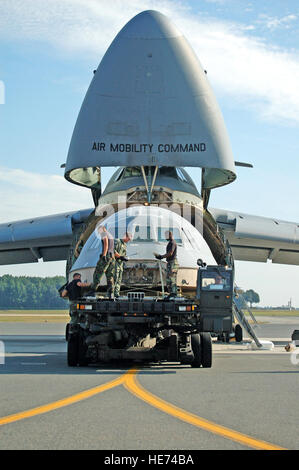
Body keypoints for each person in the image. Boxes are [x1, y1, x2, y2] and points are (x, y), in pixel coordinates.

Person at [155, 230, 179, 299]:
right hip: (170, 262)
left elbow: (170, 253)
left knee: (172, 279)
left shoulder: (172, 243)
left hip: (173, 263)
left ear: (170, 235)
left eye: (166, 235)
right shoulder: (170, 243)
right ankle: (171, 293)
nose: (165, 237)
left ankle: (174, 294)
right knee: (169, 279)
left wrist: (161, 256)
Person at [93, 225, 115, 294]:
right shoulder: (110, 235)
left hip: (106, 256)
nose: (98, 232)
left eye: (98, 230)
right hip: (111, 257)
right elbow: (112, 247)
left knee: (97, 273)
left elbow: (106, 244)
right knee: (110, 275)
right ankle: (111, 292)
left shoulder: (103, 234)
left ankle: (93, 290)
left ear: (102, 229)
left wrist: (104, 255)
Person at [112, 232, 132, 299]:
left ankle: (116, 293)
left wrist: (125, 258)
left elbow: (124, 254)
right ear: (125, 236)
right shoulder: (117, 241)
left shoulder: (124, 245)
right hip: (115, 263)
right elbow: (112, 251)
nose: (128, 241)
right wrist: (120, 257)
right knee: (114, 278)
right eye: (128, 239)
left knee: (119, 279)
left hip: (120, 264)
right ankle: (111, 293)